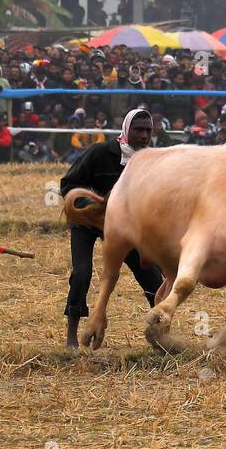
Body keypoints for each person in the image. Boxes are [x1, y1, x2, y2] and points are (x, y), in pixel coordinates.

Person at [59, 108, 164, 349]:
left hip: (122, 228)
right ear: (126, 130)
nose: (144, 135)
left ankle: (161, 334)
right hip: (87, 222)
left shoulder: (151, 162)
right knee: (81, 274)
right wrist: (92, 205)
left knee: (152, 278)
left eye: (148, 131)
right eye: (138, 130)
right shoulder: (99, 153)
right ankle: (72, 336)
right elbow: (68, 184)